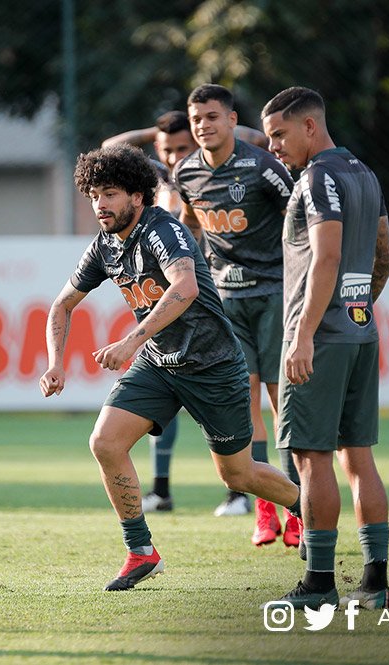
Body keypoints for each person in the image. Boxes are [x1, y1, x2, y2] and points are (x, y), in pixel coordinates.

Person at [39, 143, 300, 592]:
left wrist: (129, 341)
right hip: (160, 365)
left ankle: (309, 512)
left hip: (214, 366)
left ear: (138, 196)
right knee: (104, 442)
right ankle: (141, 551)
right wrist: (55, 364)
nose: (101, 204)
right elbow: (61, 306)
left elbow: (186, 286)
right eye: (95, 195)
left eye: (111, 194)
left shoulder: (163, 230)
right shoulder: (104, 246)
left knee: (237, 474)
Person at [261, 86, 389, 610]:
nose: (273, 146)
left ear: (310, 127)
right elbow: (381, 254)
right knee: (359, 458)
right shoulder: (364, 173)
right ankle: (376, 583)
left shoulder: (316, 178)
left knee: (313, 459)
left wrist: (303, 334)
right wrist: (356, 308)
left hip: (321, 339)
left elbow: (327, 255)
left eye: (279, 134)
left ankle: (318, 585)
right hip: (360, 331)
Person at [101, 111, 269, 516]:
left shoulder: (202, 173)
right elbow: (109, 148)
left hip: (207, 293)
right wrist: (153, 131)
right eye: (167, 148)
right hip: (171, 296)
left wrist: (214, 128)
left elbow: (261, 140)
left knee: (247, 395)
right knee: (160, 397)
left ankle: (246, 496)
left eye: (182, 147)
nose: (175, 155)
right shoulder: (154, 177)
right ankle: (163, 490)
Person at [176, 84, 301, 547]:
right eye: (196, 120)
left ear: (231, 120)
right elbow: (188, 225)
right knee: (244, 400)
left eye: (212, 117)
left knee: (280, 400)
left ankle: (300, 510)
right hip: (225, 301)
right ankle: (265, 511)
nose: (203, 126)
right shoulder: (185, 171)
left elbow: (300, 218)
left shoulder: (262, 166)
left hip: (273, 295)